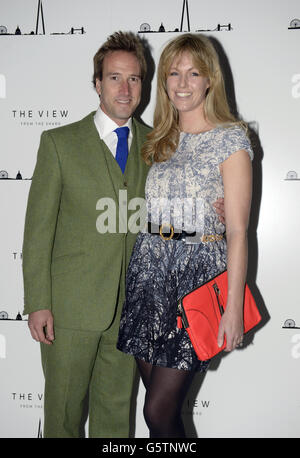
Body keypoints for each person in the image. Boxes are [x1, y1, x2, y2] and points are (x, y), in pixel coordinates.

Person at [117, 33, 253, 438]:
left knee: (157, 412)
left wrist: (232, 307)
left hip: (196, 278)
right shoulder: (160, 137)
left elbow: (240, 231)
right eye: (174, 73)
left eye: (194, 73)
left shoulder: (230, 139)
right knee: (167, 415)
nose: (182, 82)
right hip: (148, 272)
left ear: (210, 79)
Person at [22, 31, 151, 438]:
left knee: (115, 417)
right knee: (62, 416)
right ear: (97, 83)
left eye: (133, 79)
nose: (125, 88)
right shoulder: (59, 144)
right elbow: (37, 231)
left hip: (130, 311)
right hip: (69, 311)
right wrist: (38, 302)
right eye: (114, 77)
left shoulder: (158, 145)